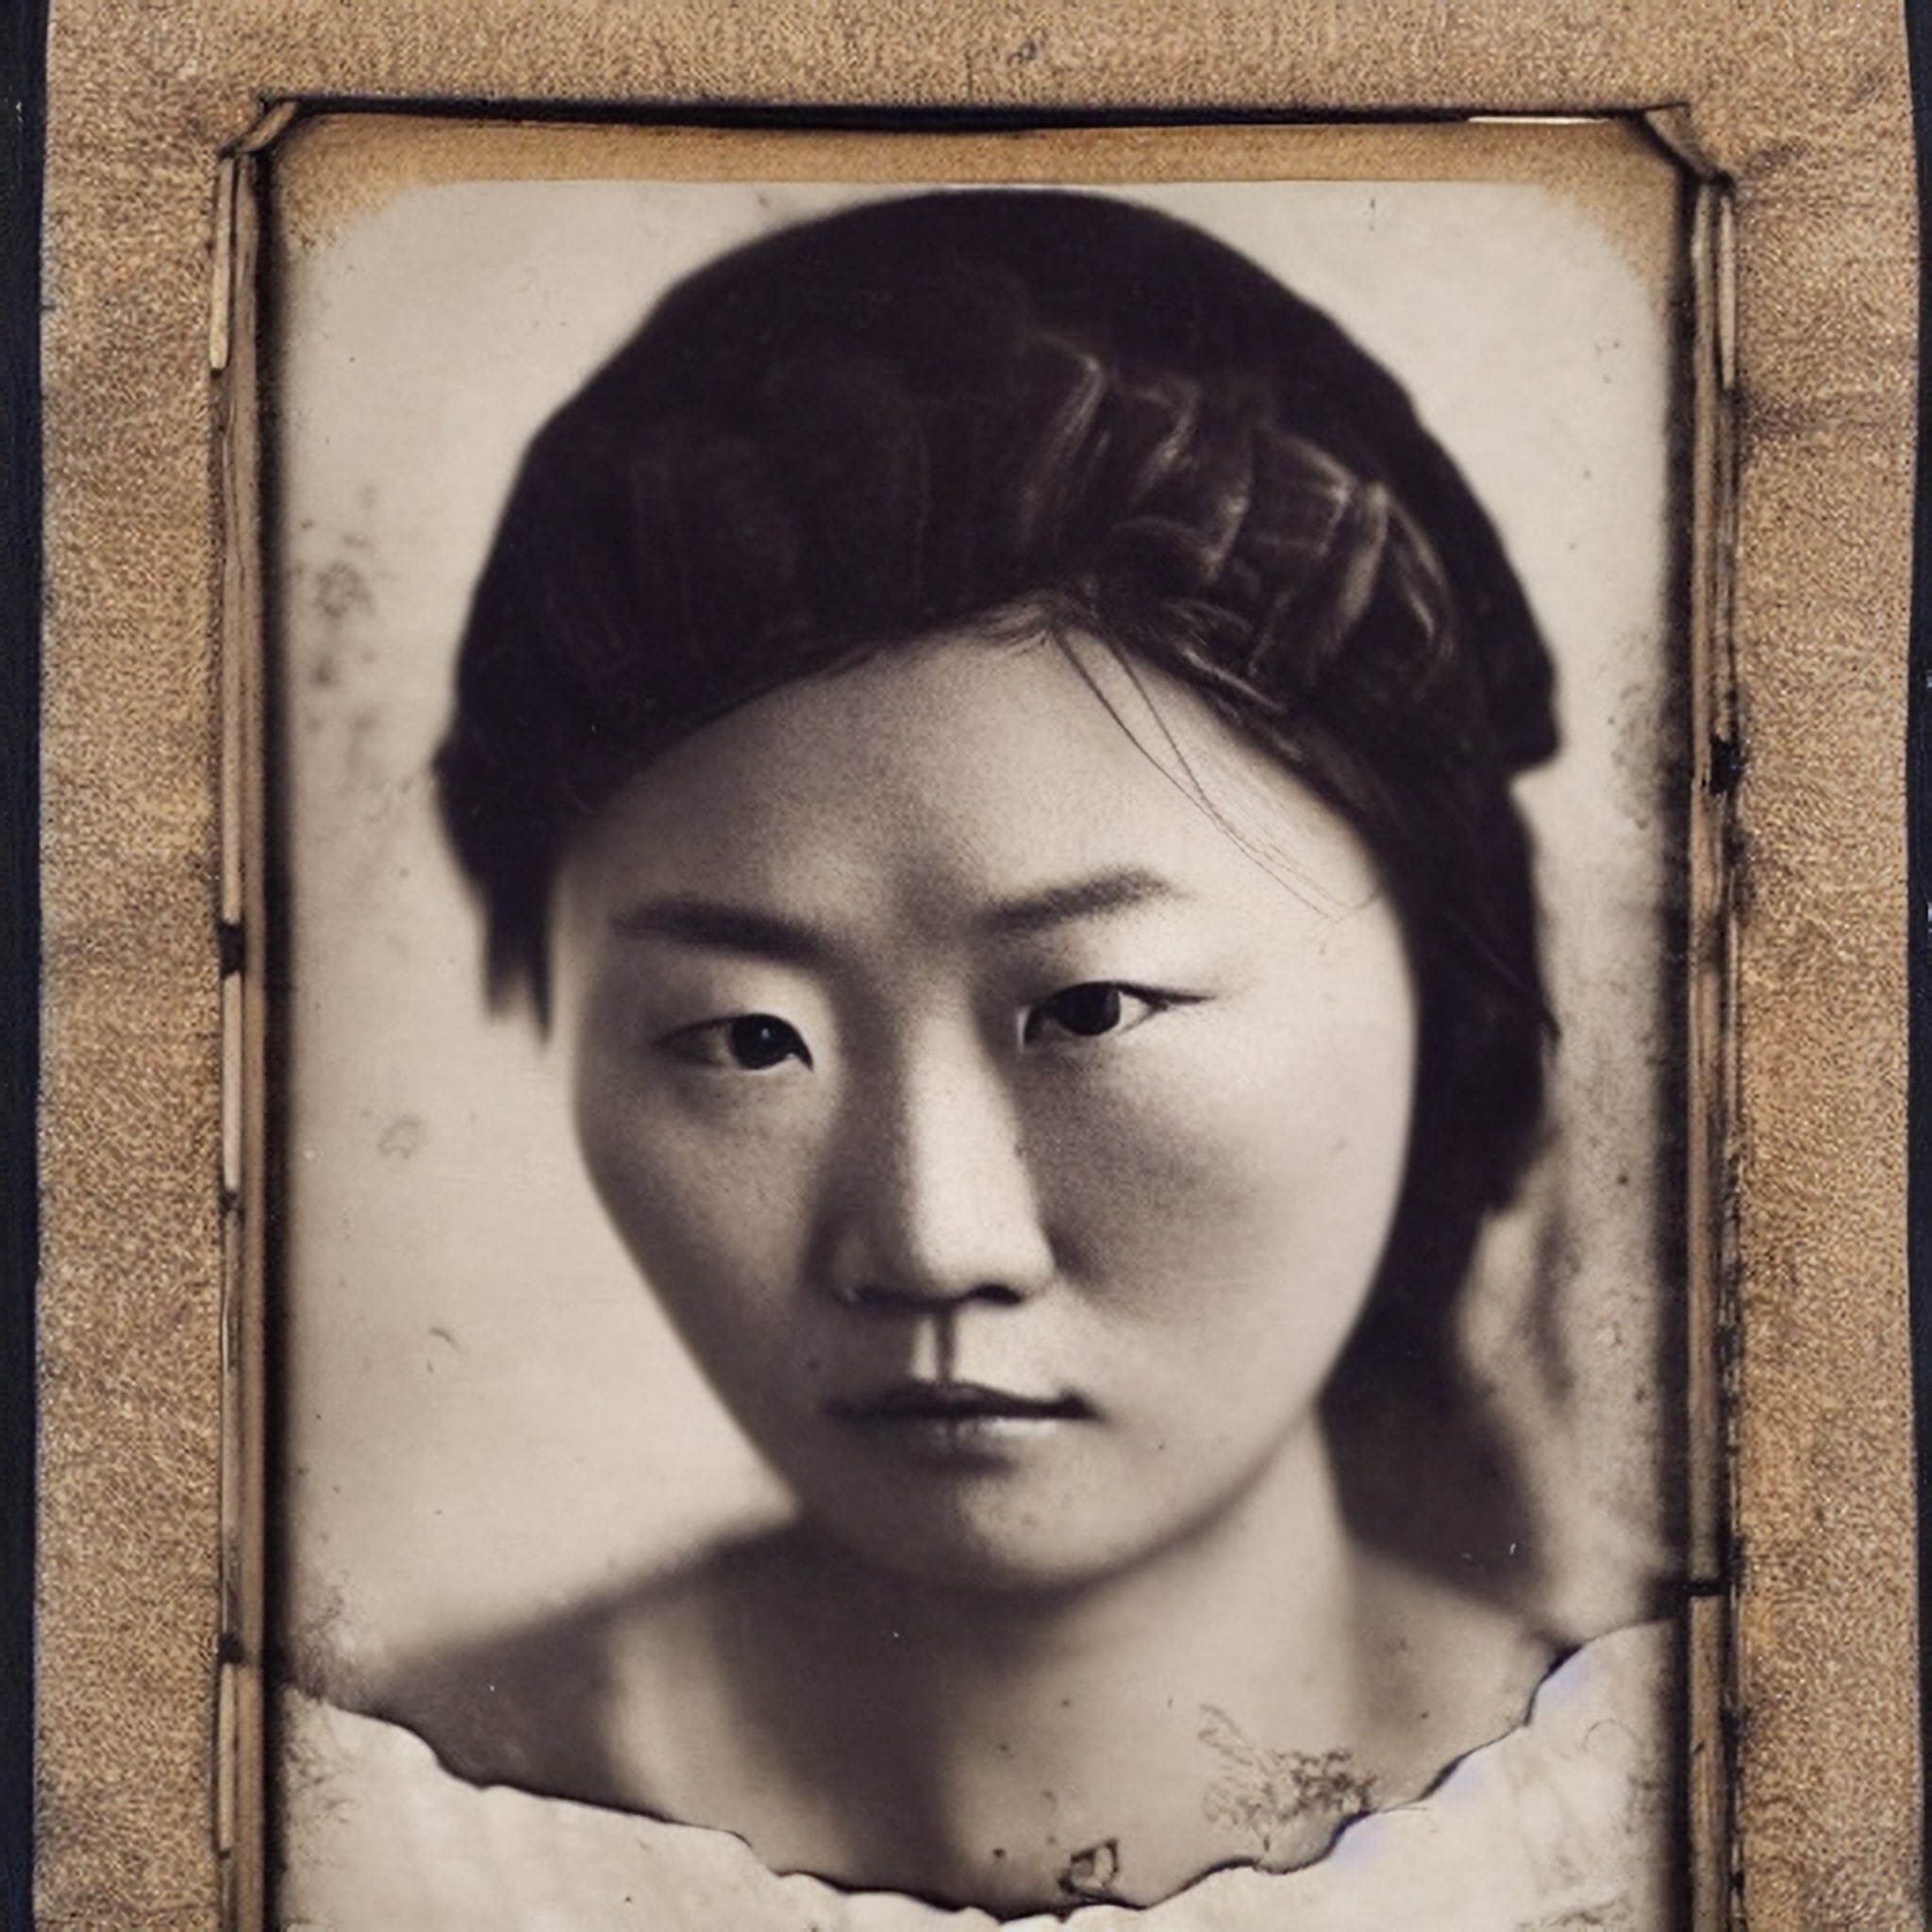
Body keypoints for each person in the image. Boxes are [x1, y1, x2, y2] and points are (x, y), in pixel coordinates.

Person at [327, 189, 1659, 1920]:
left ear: (1446, 985)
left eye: (1088, 1008)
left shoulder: (1684, 1814)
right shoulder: (362, 1828)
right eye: (744, 1039)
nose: (930, 1241)